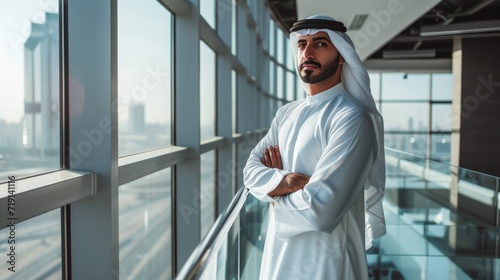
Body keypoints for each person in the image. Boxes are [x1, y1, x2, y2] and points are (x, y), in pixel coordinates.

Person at [243, 15, 386, 280]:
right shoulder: (286, 114)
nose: (307, 51)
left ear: (342, 55)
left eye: (319, 44)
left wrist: (272, 193)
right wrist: (286, 181)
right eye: (301, 44)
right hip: (278, 258)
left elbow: (320, 212)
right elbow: (250, 172)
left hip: (329, 263)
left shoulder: (352, 118)